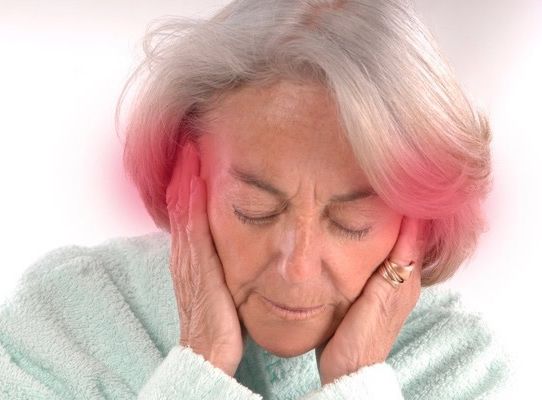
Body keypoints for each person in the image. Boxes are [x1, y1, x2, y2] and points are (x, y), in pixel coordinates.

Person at [0, 0, 513, 398]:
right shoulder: (64, 318)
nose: (297, 269)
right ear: (183, 179)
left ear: (420, 218)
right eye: (254, 209)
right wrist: (201, 360)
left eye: (352, 220)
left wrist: (358, 381)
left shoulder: (461, 365)